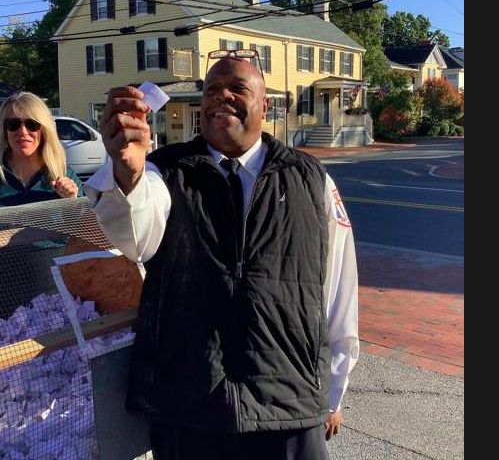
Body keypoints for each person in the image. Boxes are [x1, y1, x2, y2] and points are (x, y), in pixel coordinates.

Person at [84, 52, 359, 460]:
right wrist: (128, 172)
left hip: (288, 404)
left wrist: (333, 390)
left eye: (238, 88)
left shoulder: (310, 178)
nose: (222, 96)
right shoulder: (163, 171)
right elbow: (134, 239)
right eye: (212, 89)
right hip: (188, 401)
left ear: (266, 105)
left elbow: (338, 287)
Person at [0, 91, 83, 212]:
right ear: (4, 130)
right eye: (13, 124)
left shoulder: (65, 175)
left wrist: (73, 203)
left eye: (32, 124)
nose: (22, 132)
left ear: (44, 130)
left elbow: (87, 227)